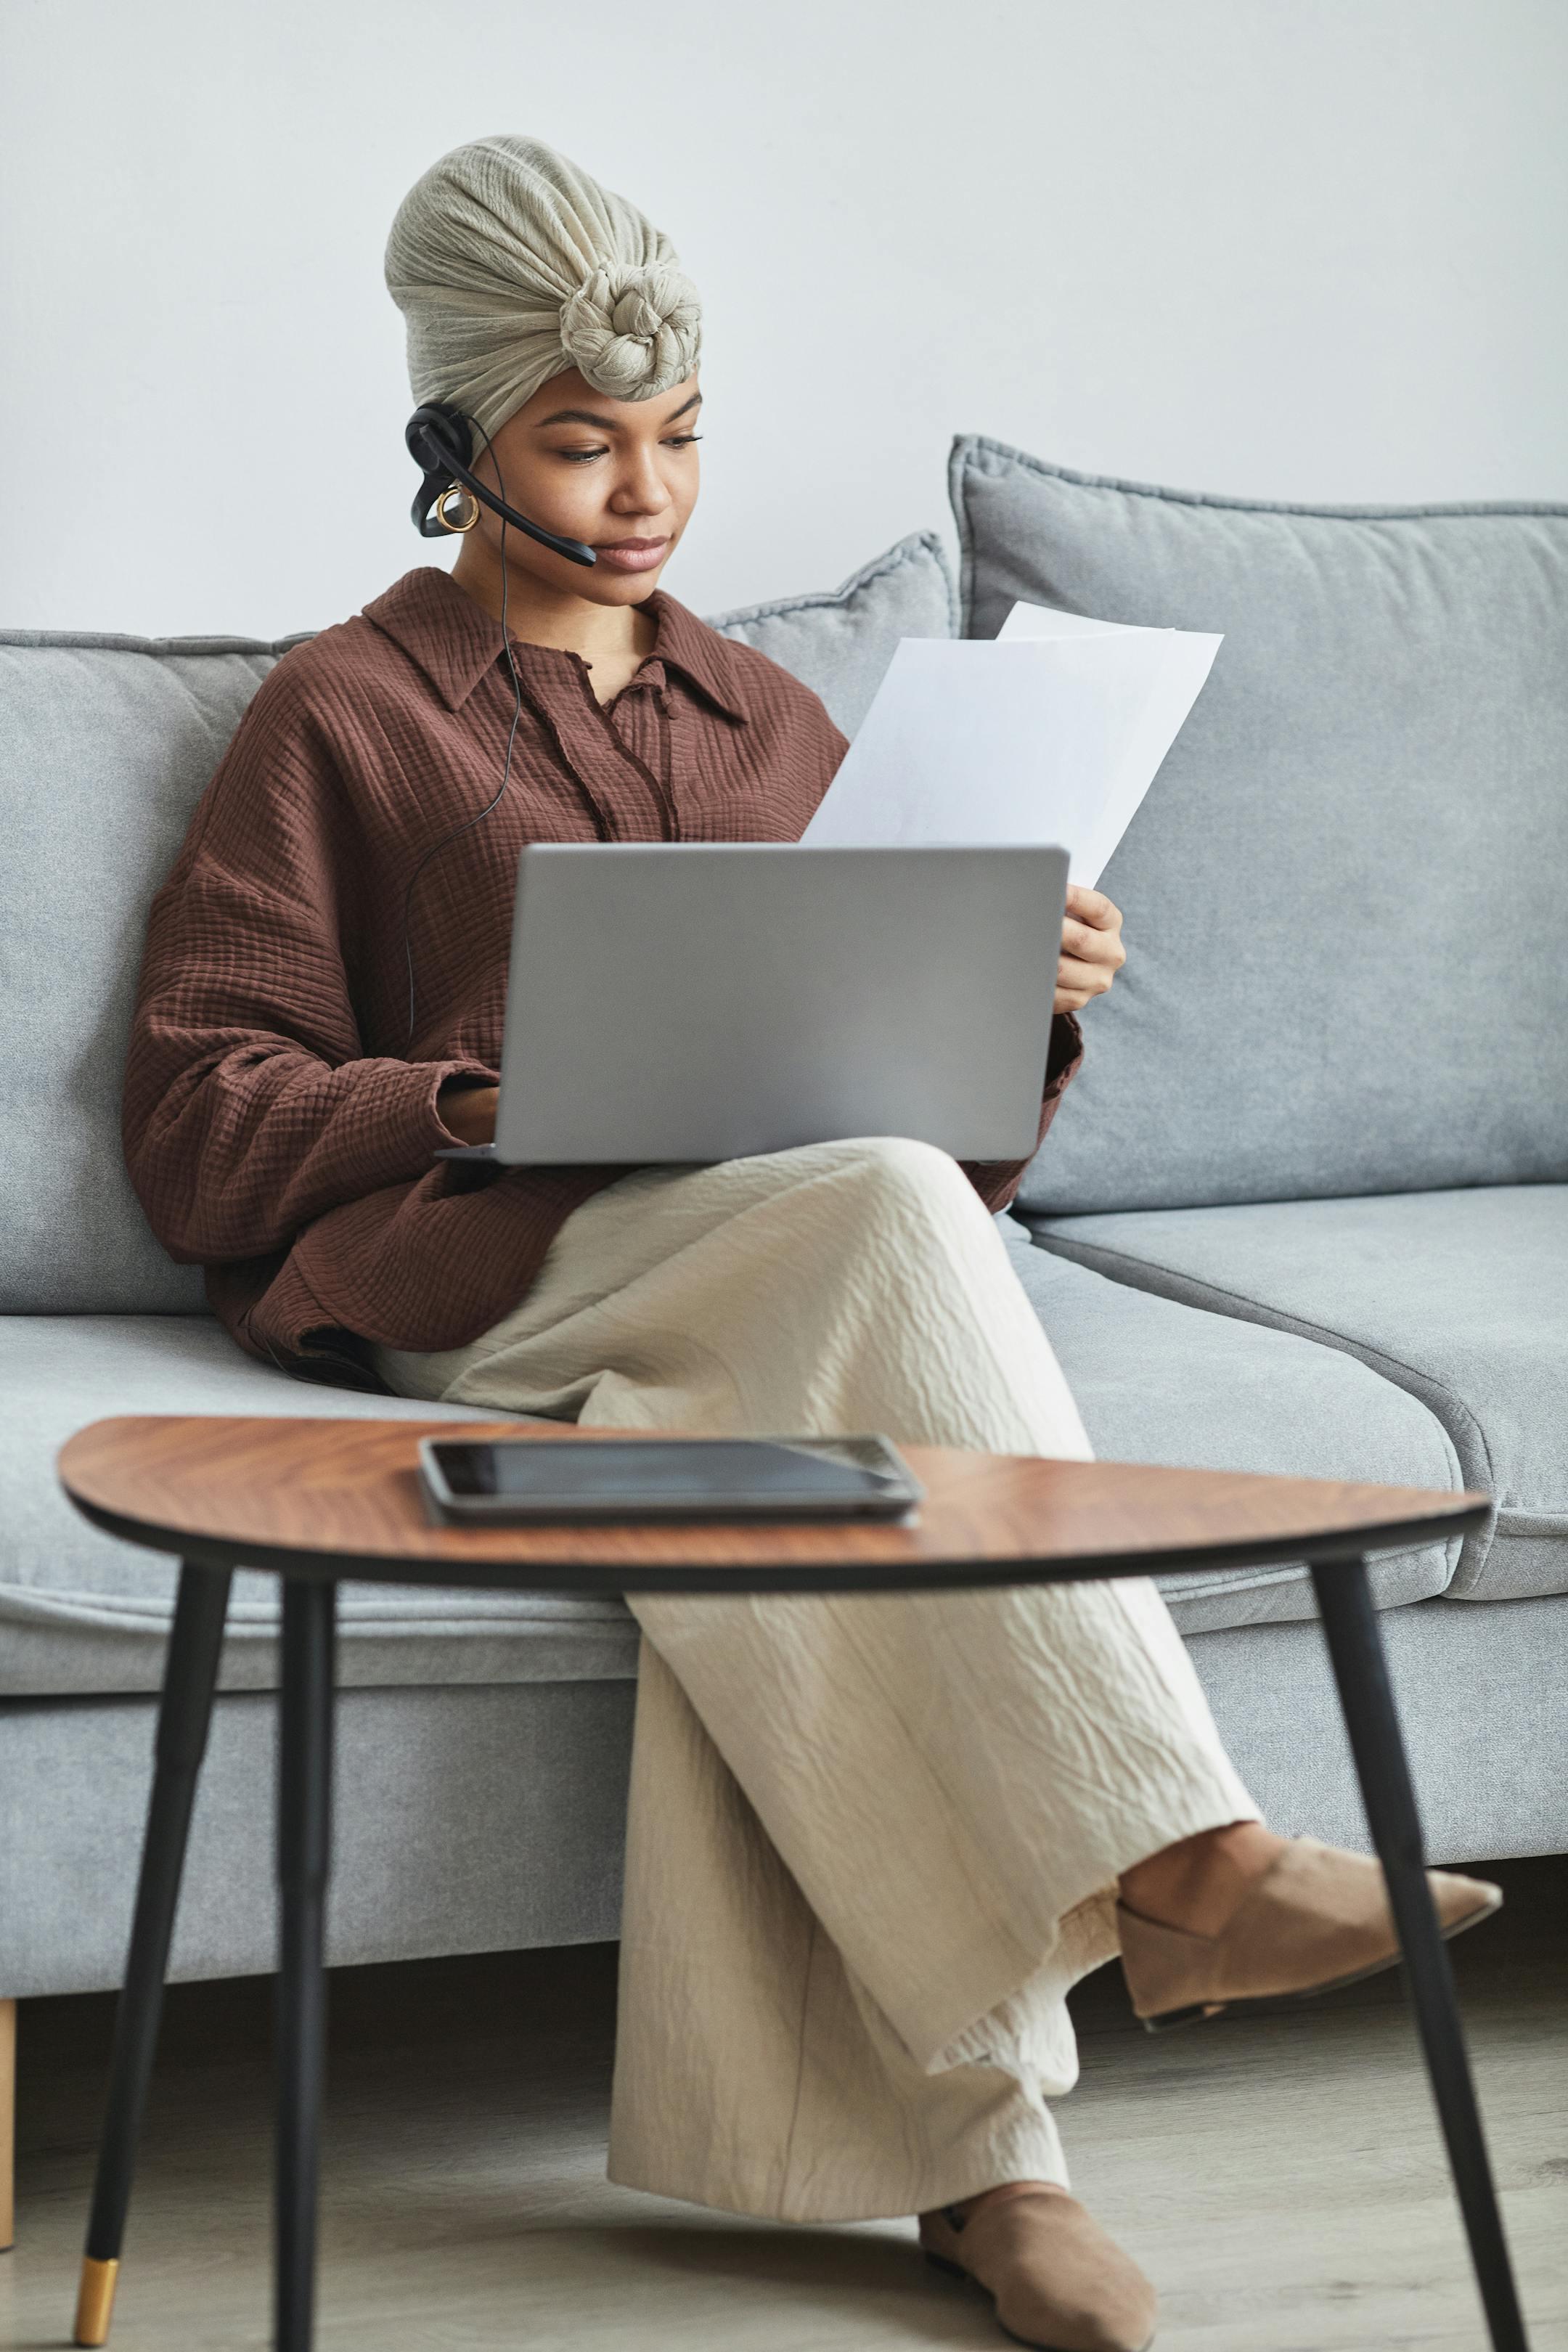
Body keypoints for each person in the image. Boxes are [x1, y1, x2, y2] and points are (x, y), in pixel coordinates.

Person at [123, 135, 1499, 2352]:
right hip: (485, 1291)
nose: (648, 491)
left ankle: (983, 2161)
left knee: (794, 1460)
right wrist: (478, 1095)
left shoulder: (778, 723)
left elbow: (933, 1191)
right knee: (846, 1239)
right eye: (586, 440)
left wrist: (1011, 1015)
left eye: (679, 437)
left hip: (767, 1283)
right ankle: (1186, 1864)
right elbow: (202, 1123)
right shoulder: (340, 717)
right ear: (454, 442)